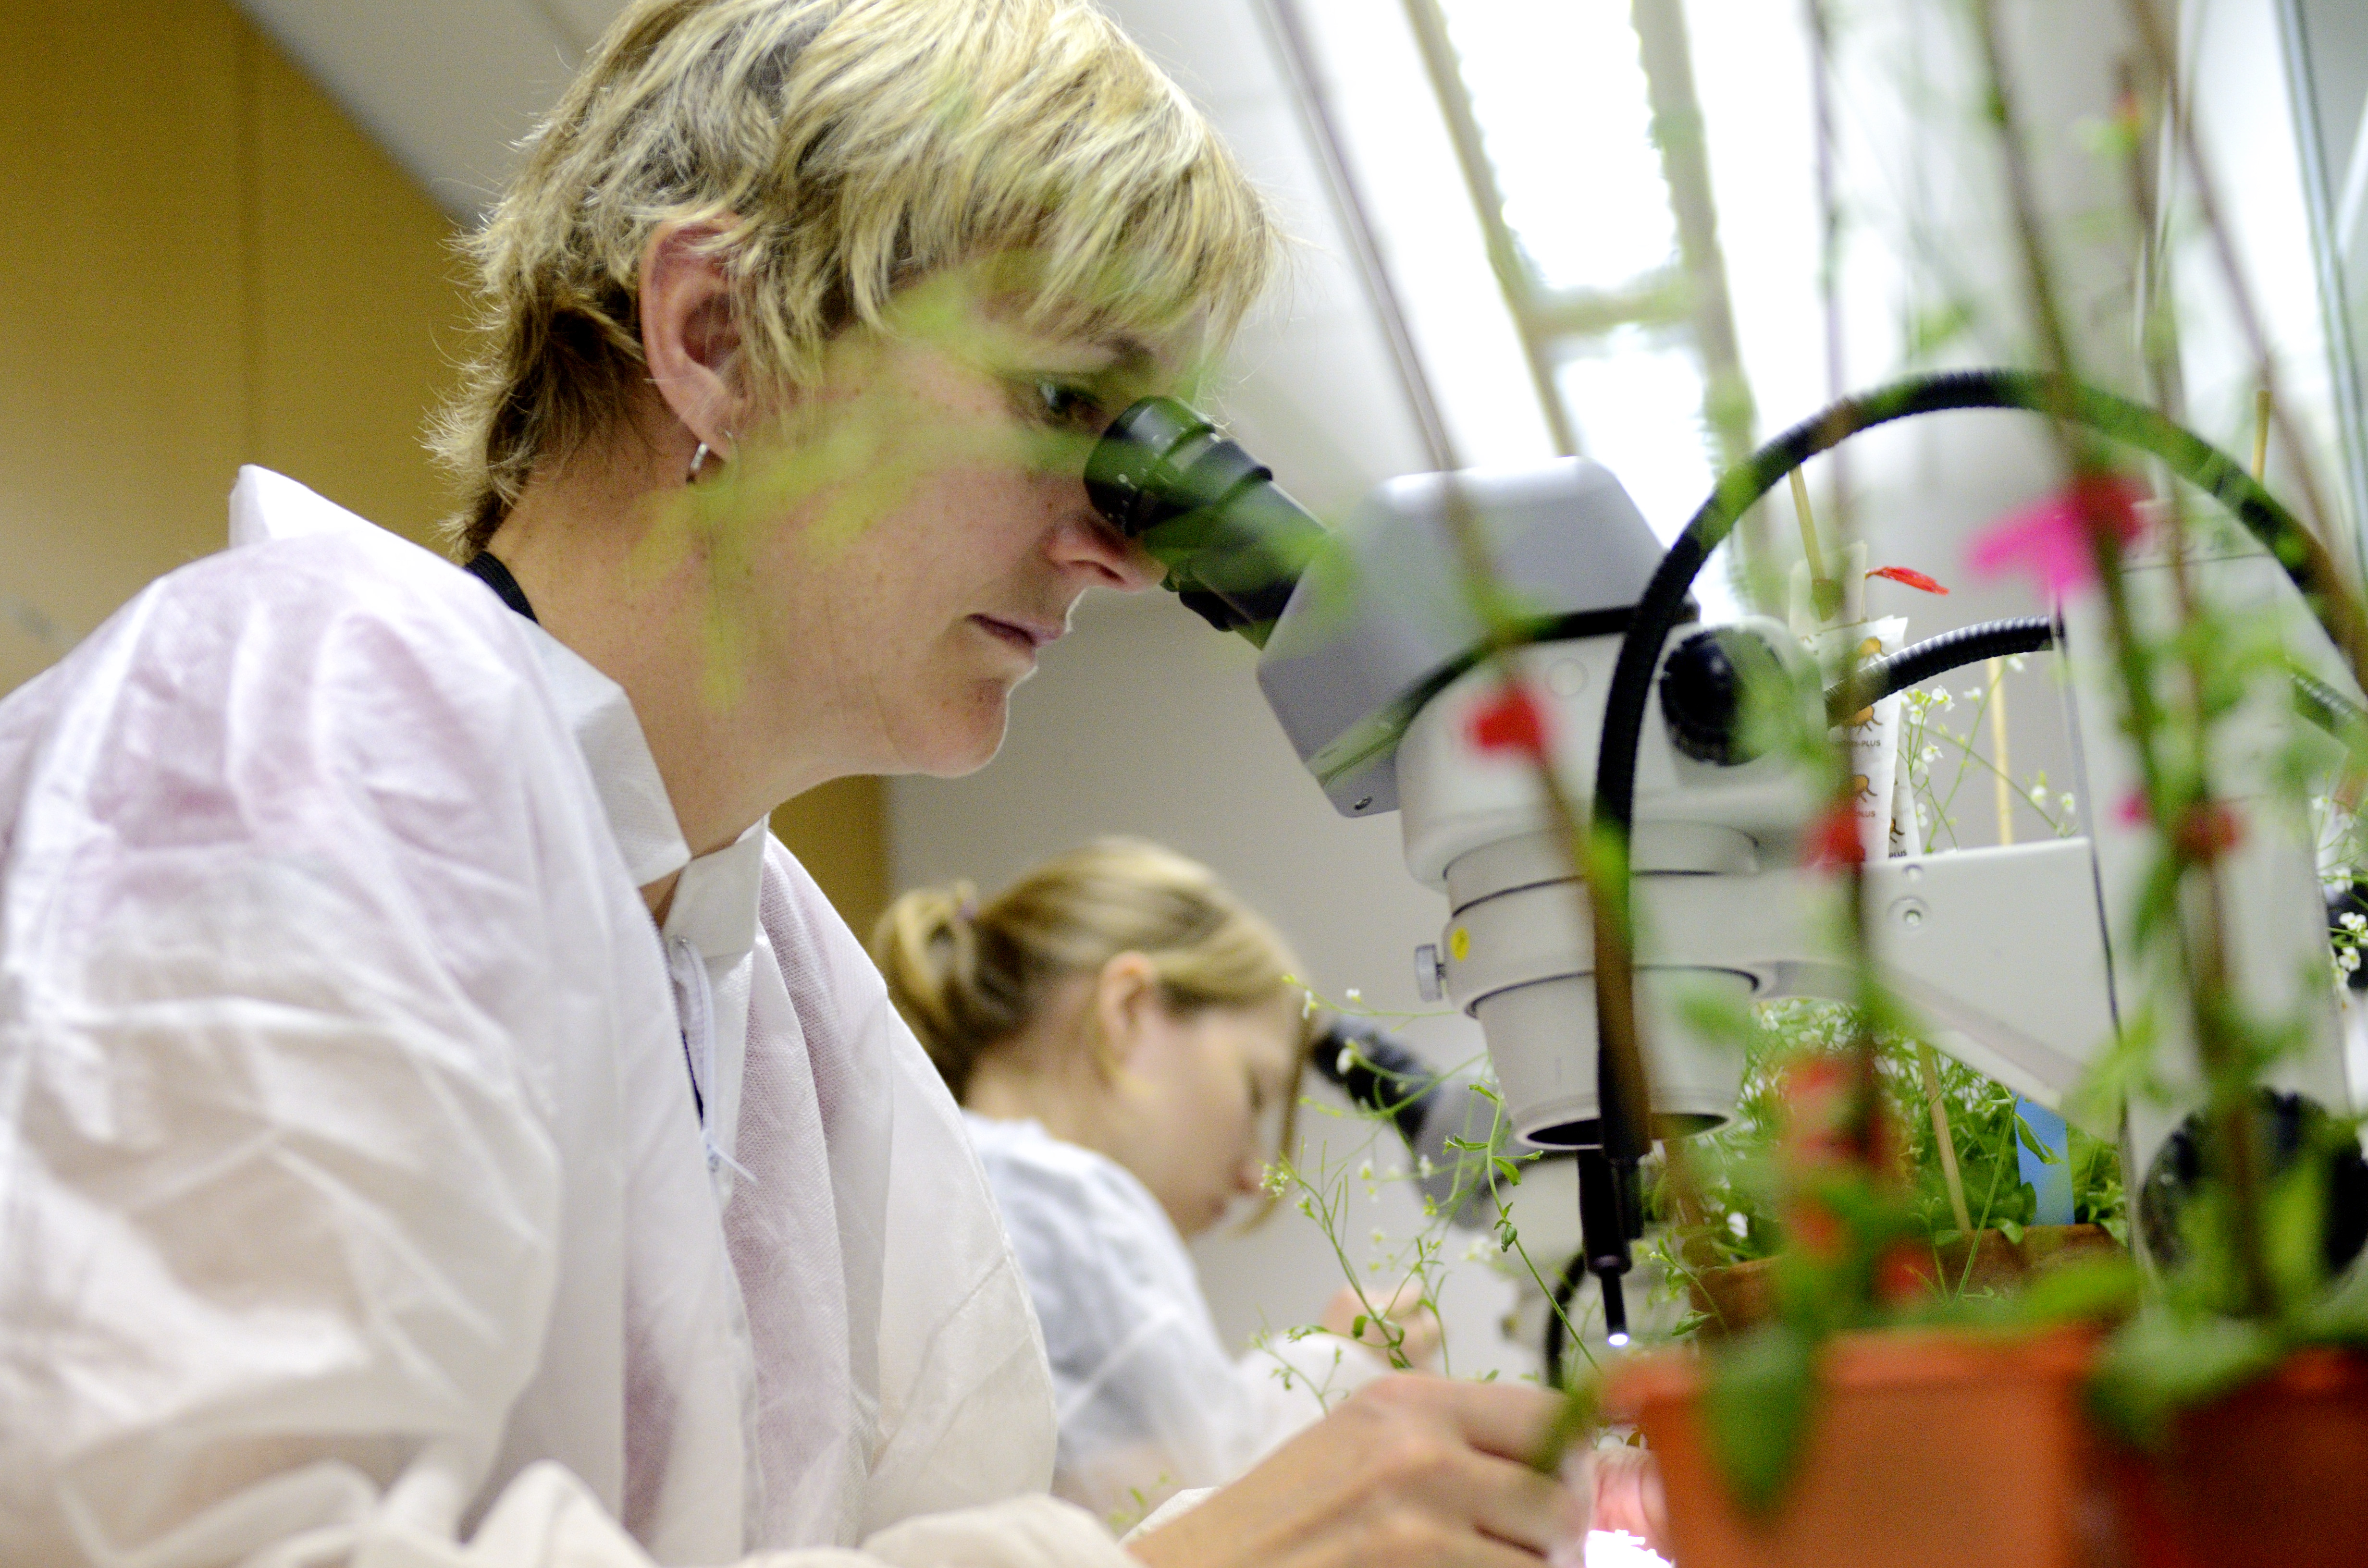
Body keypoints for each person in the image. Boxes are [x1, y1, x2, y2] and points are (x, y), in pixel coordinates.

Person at [0, 2, 1594, 1565]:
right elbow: (177, 1532)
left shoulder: (786, 993)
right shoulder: (295, 720)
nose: (1120, 552)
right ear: (718, 338)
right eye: (1063, 406)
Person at [873, 839, 1442, 1522]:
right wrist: (1338, 1369)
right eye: (1255, 1093)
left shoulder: (933, 1186)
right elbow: (1213, 1523)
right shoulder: (1060, 1202)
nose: (1257, 1178)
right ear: (1130, 1010)